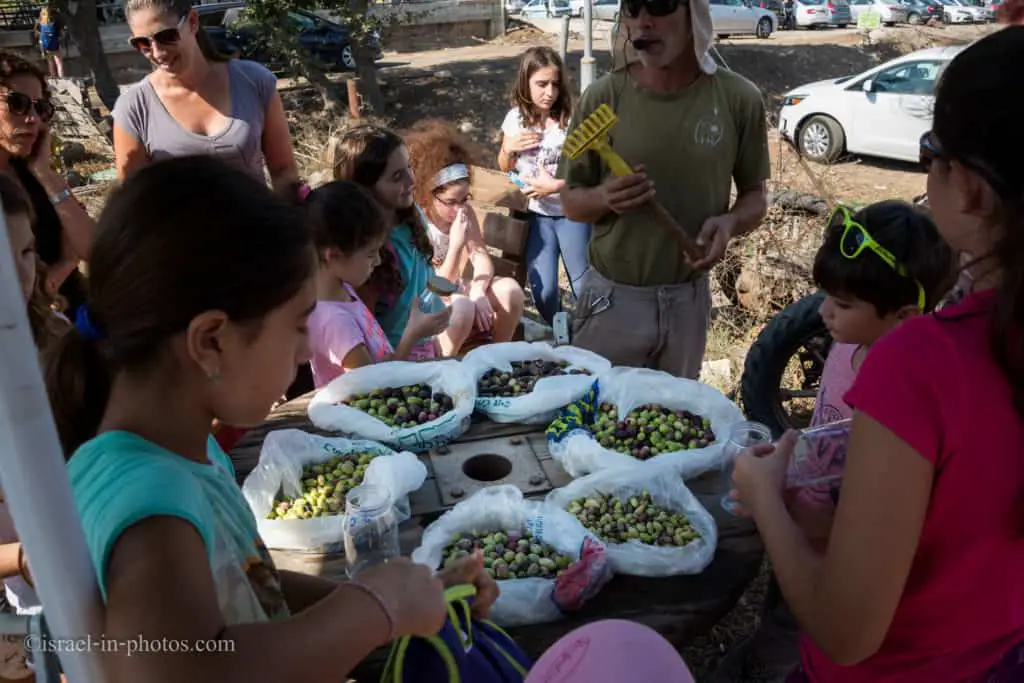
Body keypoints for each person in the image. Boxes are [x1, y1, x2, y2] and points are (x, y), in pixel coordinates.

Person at [44, 155, 497, 681]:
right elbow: (185, 670)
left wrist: (385, 603)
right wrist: (375, 610)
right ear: (212, 341)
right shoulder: (151, 511)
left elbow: (255, 589)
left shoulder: (186, 451)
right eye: (299, 325)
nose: (307, 348)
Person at [732, 28, 1024, 683]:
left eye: (931, 151)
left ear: (970, 186)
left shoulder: (920, 363)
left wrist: (767, 496)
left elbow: (847, 631)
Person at [712, 200, 956, 683]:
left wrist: (777, 505)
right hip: (801, 521)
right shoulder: (850, 345)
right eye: (825, 295)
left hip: (838, 550)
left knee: (797, 629)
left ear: (905, 315)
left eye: (843, 304)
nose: (823, 312)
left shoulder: (902, 396)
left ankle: (769, 667)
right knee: (780, 605)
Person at [557, 0, 770, 380]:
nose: (643, 22)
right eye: (632, 8)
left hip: (688, 304)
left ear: (694, 16)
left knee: (674, 426)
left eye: (659, 5)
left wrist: (730, 222)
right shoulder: (603, 98)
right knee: (595, 421)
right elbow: (571, 203)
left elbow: (756, 195)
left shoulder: (739, 99)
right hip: (612, 301)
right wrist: (604, 198)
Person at [113, 0, 298, 192]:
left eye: (166, 36)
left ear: (193, 22)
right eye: (143, 43)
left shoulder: (254, 81)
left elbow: (283, 172)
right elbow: (132, 200)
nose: (157, 52)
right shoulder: (134, 107)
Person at [0, 173, 68, 675]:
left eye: (25, 253)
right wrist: (29, 557)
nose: (19, 274)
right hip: (21, 609)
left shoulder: (55, 341)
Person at [305, 179, 451, 386]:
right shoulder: (336, 323)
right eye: (370, 254)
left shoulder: (343, 290)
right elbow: (376, 390)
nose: (379, 261)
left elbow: (379, 366)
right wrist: (412, 334)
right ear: (333, 255)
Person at [328, 124, 447, 360]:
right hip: (395, 357)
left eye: (409, 167)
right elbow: (369, 339)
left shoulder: (412, 217)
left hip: (426, 345)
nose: (411, 180)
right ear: (365, 188)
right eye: (396, 176)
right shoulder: (365, 255)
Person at [406, 119, 525, 356]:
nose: (459, 208)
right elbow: (436, 288)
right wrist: (456, 245)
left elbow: (481, 257)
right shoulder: (418, 224)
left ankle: (496, 359)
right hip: (428, 297)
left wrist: (479, 290)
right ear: (427, 197)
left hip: (454, 287)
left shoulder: (463, 212)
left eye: (465, 199)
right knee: (463, 310)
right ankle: (444, 368)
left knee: (511, 291)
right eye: (451, 202)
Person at [498, 47, 589, 327]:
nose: (549, 92)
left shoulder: (572, 120)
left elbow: (589, 170)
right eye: (541, 84)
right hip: (536, 217)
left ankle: (593, 337)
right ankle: (563, 336)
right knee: (544, 292)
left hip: (572, 214)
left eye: (555, 84)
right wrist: (507, 148)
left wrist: (556, 186)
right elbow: (504, 166)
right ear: (525, 82)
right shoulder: (514, 119)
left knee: (584, 287)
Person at [0, 51, 93, 320]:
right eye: (17, 104)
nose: (32, 118)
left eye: (40, 108)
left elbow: (91, 248)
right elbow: (16, 294)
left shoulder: (31, 171)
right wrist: (64, 265)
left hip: (77, 315)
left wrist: (44, 172)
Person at [34, 5, 65, 78]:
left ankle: (53, 77)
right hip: (55, 45)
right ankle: (61, 77)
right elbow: (61, 33)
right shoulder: (55, 21)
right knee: (59, 62)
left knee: (50, 62)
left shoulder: (39, 22)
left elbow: (36, 33)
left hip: (45, 46)